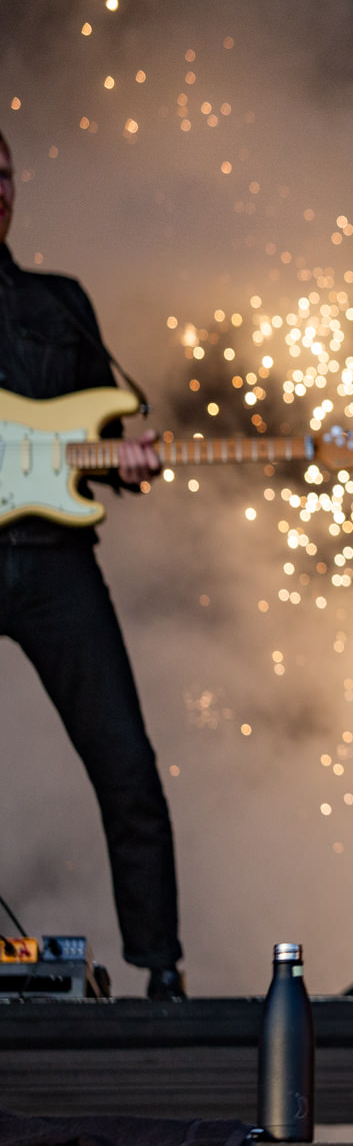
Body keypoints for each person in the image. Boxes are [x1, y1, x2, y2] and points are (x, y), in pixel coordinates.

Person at [0, 127, 184, 999]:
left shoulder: (59, 303)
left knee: (126, 763)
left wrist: (133, 464)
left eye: (5, 172)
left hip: (54, 556)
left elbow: (103, 443)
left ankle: (161, 970)